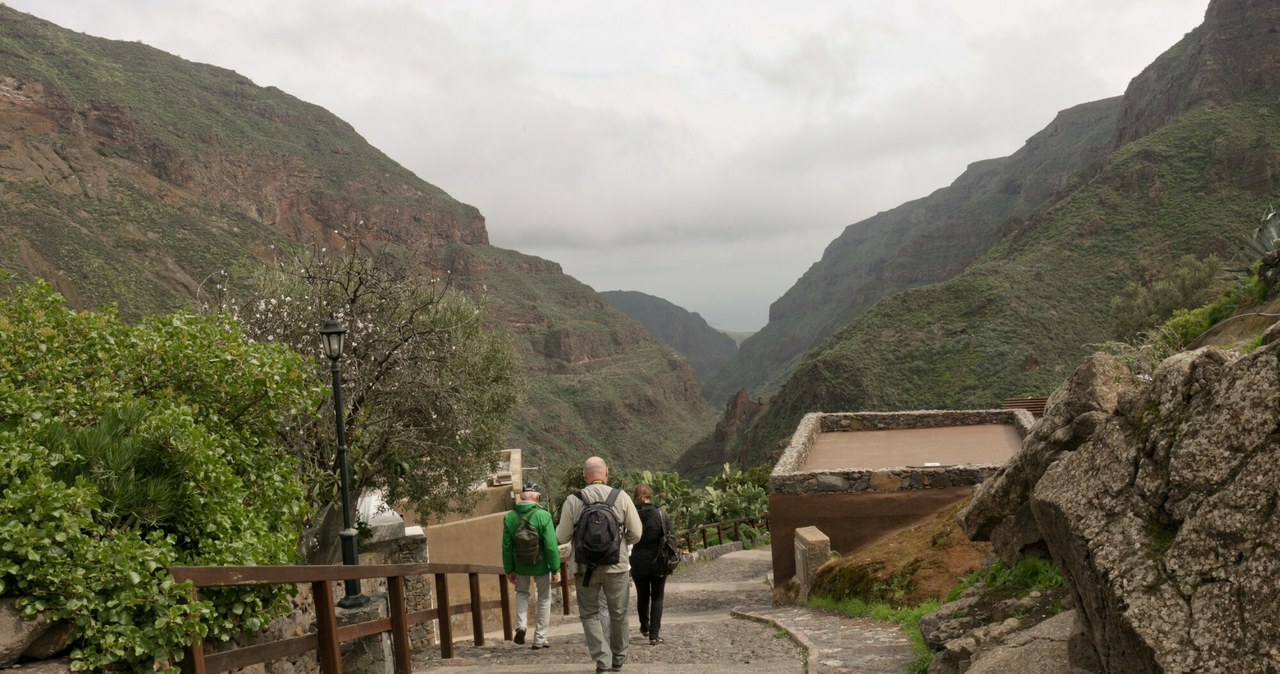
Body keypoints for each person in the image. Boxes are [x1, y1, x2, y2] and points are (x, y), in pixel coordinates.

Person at [556, 456, 642, 673]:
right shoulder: (620, 497)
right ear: (606, 473)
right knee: (618, 613)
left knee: (589, 614)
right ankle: (619, 659)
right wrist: (620, 545)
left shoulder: (574, 499)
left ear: (585, 475)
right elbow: (637, 533)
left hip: (585, 568)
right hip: (617, 566)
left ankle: (603, 660)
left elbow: (562, 536)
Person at [502, 483, 561, 650]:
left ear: (522, 497)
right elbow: (550, 545)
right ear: (536, 496)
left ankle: (521, 625)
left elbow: (506, 547)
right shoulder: (543, 515)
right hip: (541, 565)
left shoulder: (510, 517)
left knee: (521, 593)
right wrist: (555, 568)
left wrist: (509, 569)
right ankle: (540, 638)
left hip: (520, 565)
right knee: (544, 599)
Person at [627, 483, 669, 645]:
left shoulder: (631, 516)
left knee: (642, 595)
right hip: (658, 562)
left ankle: (644, 626)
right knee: (657, 597)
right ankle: (654, 635)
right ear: (651, 496)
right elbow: (670, 535)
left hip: (637, 563)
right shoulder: (660, 514)